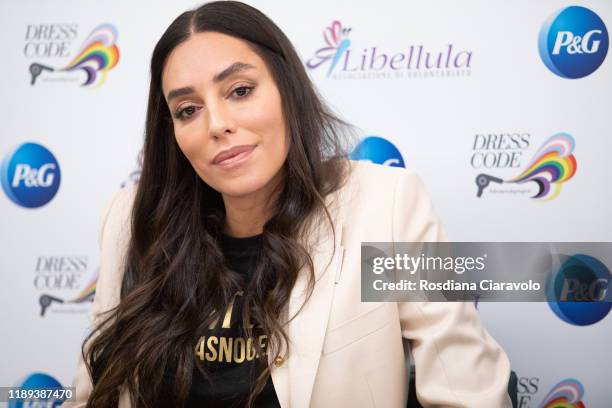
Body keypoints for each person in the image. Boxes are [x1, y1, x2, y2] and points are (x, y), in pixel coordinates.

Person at [65, 1, 512, 407]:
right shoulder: (129, 222)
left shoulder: (387, 206)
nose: (217, 124)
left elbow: (471, 395)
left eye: (240, 90)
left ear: (287, 90)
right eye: (188, 110)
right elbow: (93, 395)